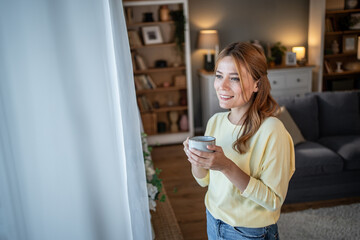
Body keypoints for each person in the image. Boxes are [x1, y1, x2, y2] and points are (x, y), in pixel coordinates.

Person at [183, 42, 295, 240]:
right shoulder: (215, 122)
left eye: (234, 78)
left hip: (248, 232)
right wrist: (196, 159)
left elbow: (273, 201)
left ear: (257, 85)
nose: (222, 86)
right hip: (213, 219)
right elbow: (203, 181)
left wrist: (226, 167)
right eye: (219, 76)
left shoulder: (272, 131)